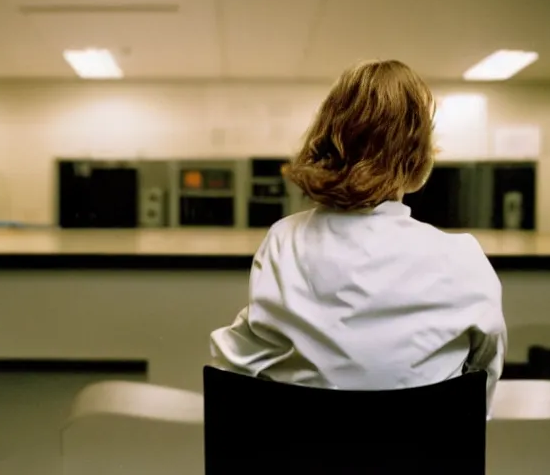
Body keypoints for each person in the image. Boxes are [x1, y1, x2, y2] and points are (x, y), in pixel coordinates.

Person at [209, 59, 507, 412]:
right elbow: (481, 382)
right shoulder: (462, 258)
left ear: (325, 145)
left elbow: (233, 365)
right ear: (420, 162)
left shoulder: (285, 240)